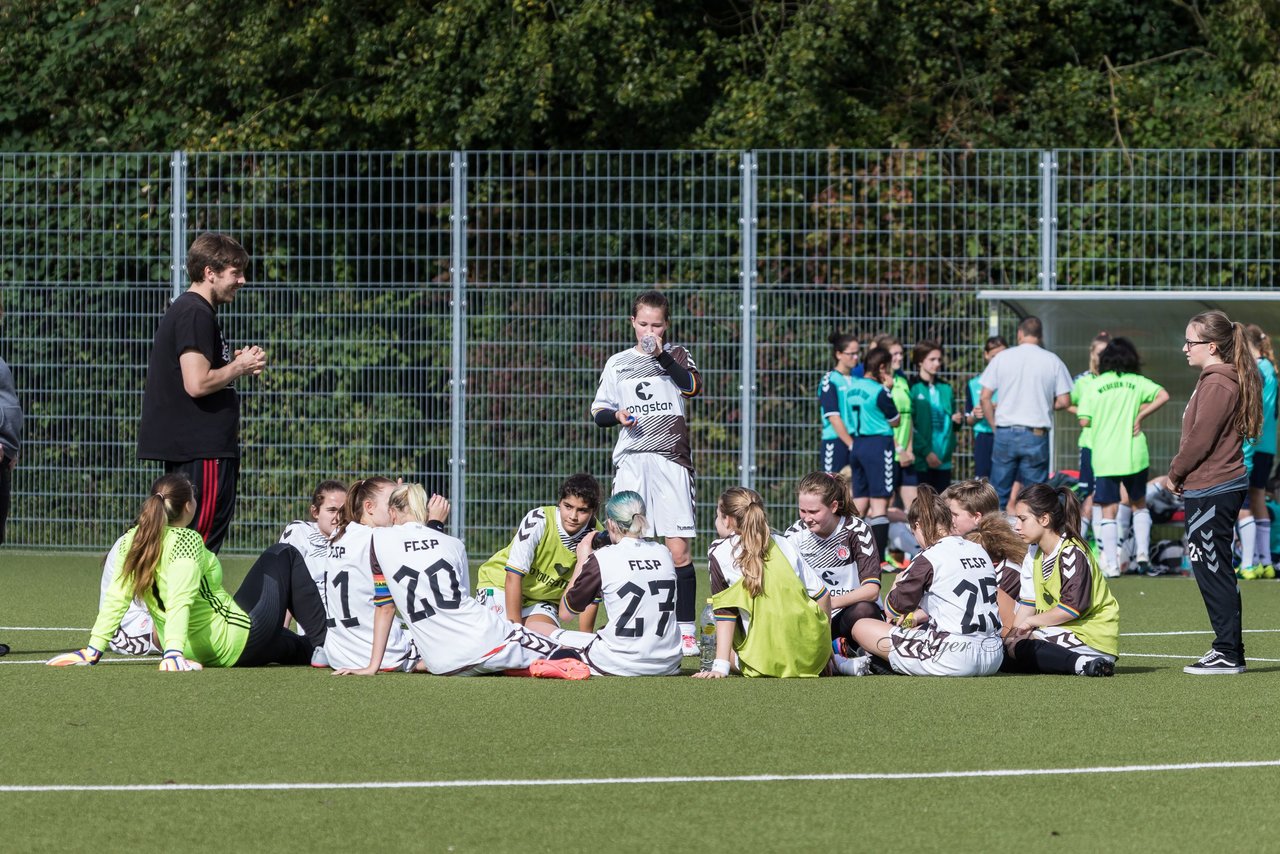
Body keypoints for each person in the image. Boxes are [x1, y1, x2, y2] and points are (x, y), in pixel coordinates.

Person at [48, 472, 327, 670]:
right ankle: (327, 645)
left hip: (204, 648)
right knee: (283, 554)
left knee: (293, 646)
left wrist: (92, 650)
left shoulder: (130, 541)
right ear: (187, 506)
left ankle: (315, 649)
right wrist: (172, 653)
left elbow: (116, 598)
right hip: (234, 639)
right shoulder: (187, 540)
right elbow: (181, 599)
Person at [357, 484, 581, 679]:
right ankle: (536, 660)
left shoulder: (377, 540)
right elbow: (463, 597)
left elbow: (385, 607)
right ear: (425, 512)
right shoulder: (453, 544)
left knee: (503, 657)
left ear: (392, 511)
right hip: (484, 640)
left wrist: (372, 666)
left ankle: (518, 665)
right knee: (571, 654)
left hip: (441, 665)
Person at [137, 233, 267, 554]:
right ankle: (184, 604)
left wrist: (233, 364)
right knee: (197, 547)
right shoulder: (195, 312)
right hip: (203, 451)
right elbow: (196, 383)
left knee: (186, 543)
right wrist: (240, 367)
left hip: (198, 450)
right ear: (210, 272)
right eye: (235, 273)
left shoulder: (194, 311)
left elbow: (202, 372)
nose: (242, 281)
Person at [590, 290, 702, 653]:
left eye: (656, 324)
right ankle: (632, 623)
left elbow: (692, 388)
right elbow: (599, 411)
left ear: (666, 325)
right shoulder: (618, 362)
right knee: (629, 543)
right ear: (632, 323)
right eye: (643, 324)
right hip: (632, 460)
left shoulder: (677, 356)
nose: (649, 330)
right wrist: (617, 416)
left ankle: (685, 633)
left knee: (678, 550)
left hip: (670, 459)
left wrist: (661, 358)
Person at [1169, 310, 1261, 675]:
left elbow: (1200, 440)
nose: (1184, 348)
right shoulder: (1216, 379)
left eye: (1190, 342)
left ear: (1211, 345)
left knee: (1213, 568)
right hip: (1211, 486)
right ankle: (1227, 648)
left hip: (1214, 486)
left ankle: (1227, 651)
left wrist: (1175, 473)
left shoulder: (1218, 382)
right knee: (1213, 567)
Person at [850, 485, 1003, 677]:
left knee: (862, 627)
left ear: (918, 525)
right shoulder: (978, 550)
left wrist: (898, 580)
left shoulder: (929, 556)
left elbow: (891, 609)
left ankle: (882, 663)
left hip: (955, 656)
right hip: (995, 655)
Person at [695, 487, 831, 678]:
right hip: (812, 658)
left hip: (764, 663)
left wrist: (720, 666)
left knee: (713, 643)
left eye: (718, 515)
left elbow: (725, 611)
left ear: (727, 520)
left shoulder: (719, 551)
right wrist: (824, 650)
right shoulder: (785, 543)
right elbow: (823, 595)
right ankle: (840, 661)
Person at [551, 491, 682, 676]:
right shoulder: (663, 552)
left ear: (611, 524)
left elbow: (565, 613)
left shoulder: (602, 558)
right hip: (668, 663)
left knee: (549, 634)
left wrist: (582, 559)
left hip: (620, 662)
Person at [1076, 337, 1169, 577]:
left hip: (1106, 454)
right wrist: (1139, 416)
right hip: (1134, 453)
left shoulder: (1095, 386)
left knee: (1108, 508)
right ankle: (1142, 556)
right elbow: (1163, 395)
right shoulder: (1136, 382)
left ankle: (1111, 564)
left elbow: (1084, 419)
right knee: (1138, 504)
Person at [1006, 483, 1119, 677]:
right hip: (1060, 631)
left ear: (1044, 519)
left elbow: (1071, 608)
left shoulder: (1071, 552)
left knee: (1024, 647)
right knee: (1005, 654)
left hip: (1091, 635)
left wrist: (1029, 624)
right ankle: (1070, 662)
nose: (1017, 526)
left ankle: (1084, 664)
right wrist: (1012, 634)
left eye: (1022, 519)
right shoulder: (1033, 553)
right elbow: (1028, 603)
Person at [475, 473, 602, 636]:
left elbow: (590, 596)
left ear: (594, 510)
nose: (573, 516)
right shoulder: (538, 520)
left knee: (547, 641)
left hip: (542, 600)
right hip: (499, 585)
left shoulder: (598, 538)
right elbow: (513, 576)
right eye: (568, 506)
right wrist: (516, 632)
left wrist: (586, 642)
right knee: (501, 638)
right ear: (559, 502)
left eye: (582, 510)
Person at [319, 477, 419, 673]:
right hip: (382, 653)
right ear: (369, 507)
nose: (396, 509)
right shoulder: (380, 539)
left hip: (339, 654)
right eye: (393, 503)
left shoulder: (338, 534)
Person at [979, 316, 1073, 508]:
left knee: (998, 493)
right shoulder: (1052, 360)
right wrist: (1044, 403)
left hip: (1005, 431)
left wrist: (993, 425)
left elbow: (985, 396)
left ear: (1020, 334)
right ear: (1040, 336)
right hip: (1035, 435)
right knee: (1034, 497)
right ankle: (1031, 537)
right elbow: (1065, 400)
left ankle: (994, 534)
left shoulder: (1003, 358)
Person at [783, 471, 882, 648]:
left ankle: (844, 651)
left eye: (814, 511)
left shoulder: (857, 530)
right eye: (802, 510)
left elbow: (871, 590)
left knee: (864, 609)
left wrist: (827, 603)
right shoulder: (794, 534)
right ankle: (840, 652)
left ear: (834, 506)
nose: (807, 518)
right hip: (812, 617)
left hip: (848, 614)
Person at [942, 478, 1025, 632]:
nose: (947, 520)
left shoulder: (1008, 570)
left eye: (954, 514)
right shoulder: (952, 550)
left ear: (977, 518)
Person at [846, 347, 900, 559]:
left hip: (857, 445)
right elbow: (896, 420)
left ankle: (846, 551)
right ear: (881, 367)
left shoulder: (852, 388)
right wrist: (889, 388)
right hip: (878, 445)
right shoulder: (880, 391)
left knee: (859, 502)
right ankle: (876, 559)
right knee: (880, 504)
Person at [1240, 324, 1278, 579]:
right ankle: (1264, 562)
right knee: (1258, 497)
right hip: (1268, 445)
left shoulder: (1257, 369)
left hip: (1252, 443)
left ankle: (1247, 564)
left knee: (1242, 501)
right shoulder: (1271, 369)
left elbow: (1252, 405)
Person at [1068, 332, 1110, 545]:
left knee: (1106, 497)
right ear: (1092, 354)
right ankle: (1079, 544)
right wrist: (1085, 413)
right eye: (1099, 352)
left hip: (1112, 446)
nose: (1102, 357)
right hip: (1090, 444)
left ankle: (1103, 548)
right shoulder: (1083, 381)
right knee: (1088, 495)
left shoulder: (1115, 379)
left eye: (1106, 353)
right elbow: (1066, 402)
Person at [908, 340, 962, 492]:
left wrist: (957, 420)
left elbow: (954, 422)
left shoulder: (945, 388)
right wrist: (926, 453)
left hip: (943, 458)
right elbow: (910, 424)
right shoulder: (912, 387)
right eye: (932, 359)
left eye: (939, 359)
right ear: (920, 361)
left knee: (942, 506)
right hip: (922, 459)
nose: (937, 363)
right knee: (924, 506)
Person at [279, 479, 348, 590]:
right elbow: (281, 578)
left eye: (343, 511)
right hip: (306, 605)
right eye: (332, 510)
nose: (339, 517)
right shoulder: (300, 532)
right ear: (315, 512)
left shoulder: (352, 537)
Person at [964, 336, 1006, 480]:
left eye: (1002, 355)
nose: (998, 360)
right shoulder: (974, 383)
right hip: (983, 437)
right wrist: (976, 414)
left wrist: (997, 407)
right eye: (994, 356)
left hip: (1006, 434)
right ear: (986, 355)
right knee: (983, 481)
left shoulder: (1011, 381)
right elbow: (968, 419)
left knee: (1006, 479)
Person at [818, 332, 859, 475]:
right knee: (832, 489)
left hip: (856, 440)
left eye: (857, 353)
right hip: (836, 442)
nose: (856, 357)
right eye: (851, 354)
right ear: (839, 354)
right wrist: (851, 444)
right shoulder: (830, 380)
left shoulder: (857, 380)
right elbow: (833, 417)